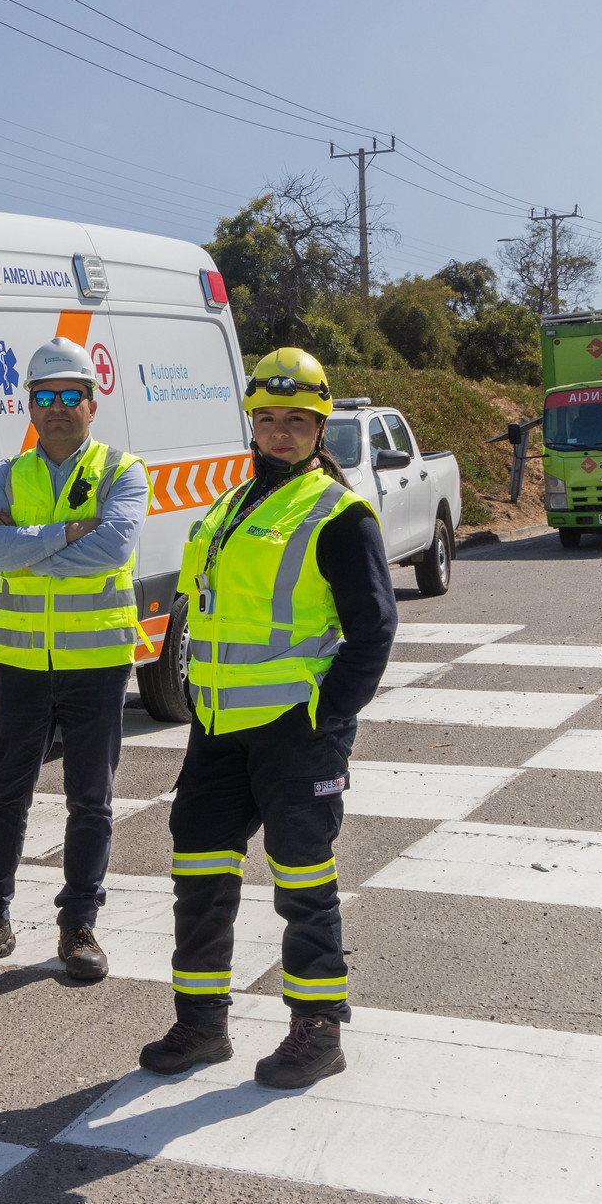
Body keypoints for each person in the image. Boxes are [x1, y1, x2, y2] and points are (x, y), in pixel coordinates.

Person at [137, 348, 395, 1090]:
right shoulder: (230, 504)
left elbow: (372, 631)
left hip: (294, 729)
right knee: (198, 868)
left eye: (297, 422)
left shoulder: (337, 513)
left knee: (301, 877)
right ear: (252, 423)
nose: (280, 434)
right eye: (268, 420)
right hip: (217, 727)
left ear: (320, 428)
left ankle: (316, 1030)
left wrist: (323, 714)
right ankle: (202, 1021)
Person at [0, 338, 148, 982]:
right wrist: (66, 532)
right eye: (43, 396)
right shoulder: (7, 474)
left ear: (92, 403)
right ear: (28, 404)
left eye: (68, 396)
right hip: (21, 663)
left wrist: (26, 543)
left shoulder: (124, 470)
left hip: (97, 663)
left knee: (92, 800)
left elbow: (112, 549)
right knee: (5, 795)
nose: (56, 408)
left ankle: (78, 926)